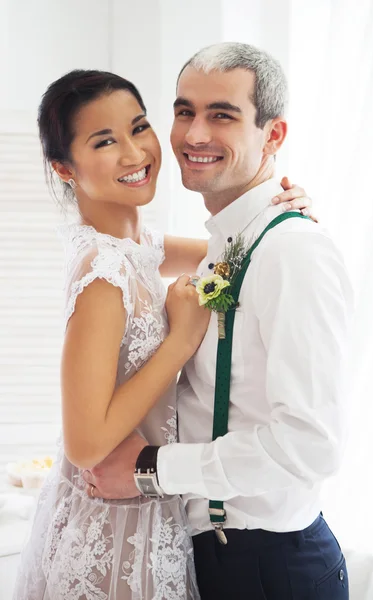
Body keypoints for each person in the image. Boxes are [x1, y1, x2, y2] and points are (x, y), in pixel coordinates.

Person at [13, 68, 310, 599]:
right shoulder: (104, 275)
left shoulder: (140, 244)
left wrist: (280, 206)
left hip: (151, 511)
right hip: (113, 528)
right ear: (64, 168)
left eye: (140, 127)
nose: (135, 153)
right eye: (105, 141)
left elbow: (237, 251)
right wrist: (180, 341)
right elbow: (85, 443)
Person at [84, 42, 354, 600]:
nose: (194, 134)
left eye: (222, 115)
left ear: (273, 136)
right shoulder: (229, 242)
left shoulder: (291, 250)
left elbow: (311, 446)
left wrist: (150, 469)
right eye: (185, 111)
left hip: (270, 567)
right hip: (216, 558)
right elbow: (129, 247)